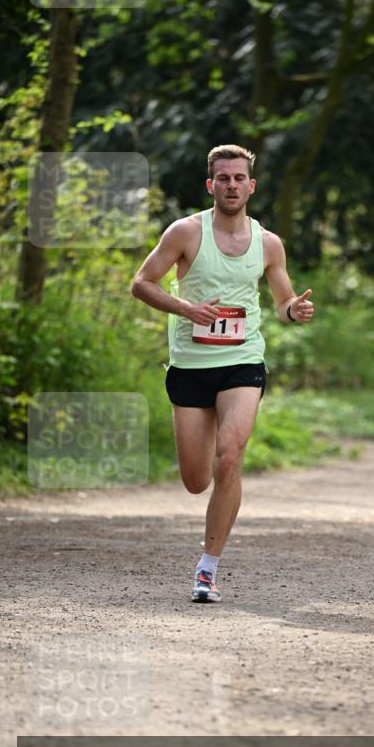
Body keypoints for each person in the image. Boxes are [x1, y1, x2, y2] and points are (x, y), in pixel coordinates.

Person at [131, 144, 314, 602]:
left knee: (230, 456)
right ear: (211, 185)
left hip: (243, 361)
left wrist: (296, 310)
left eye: (239, 178)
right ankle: (211, 468)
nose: (232, 185)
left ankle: (207, 570)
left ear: (252, 186)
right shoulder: (185, 233)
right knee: (197, 480)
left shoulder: (268, 243)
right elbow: (141, 283)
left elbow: (282, 301)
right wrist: (185, 308)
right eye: (223, 178)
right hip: (191, 365)